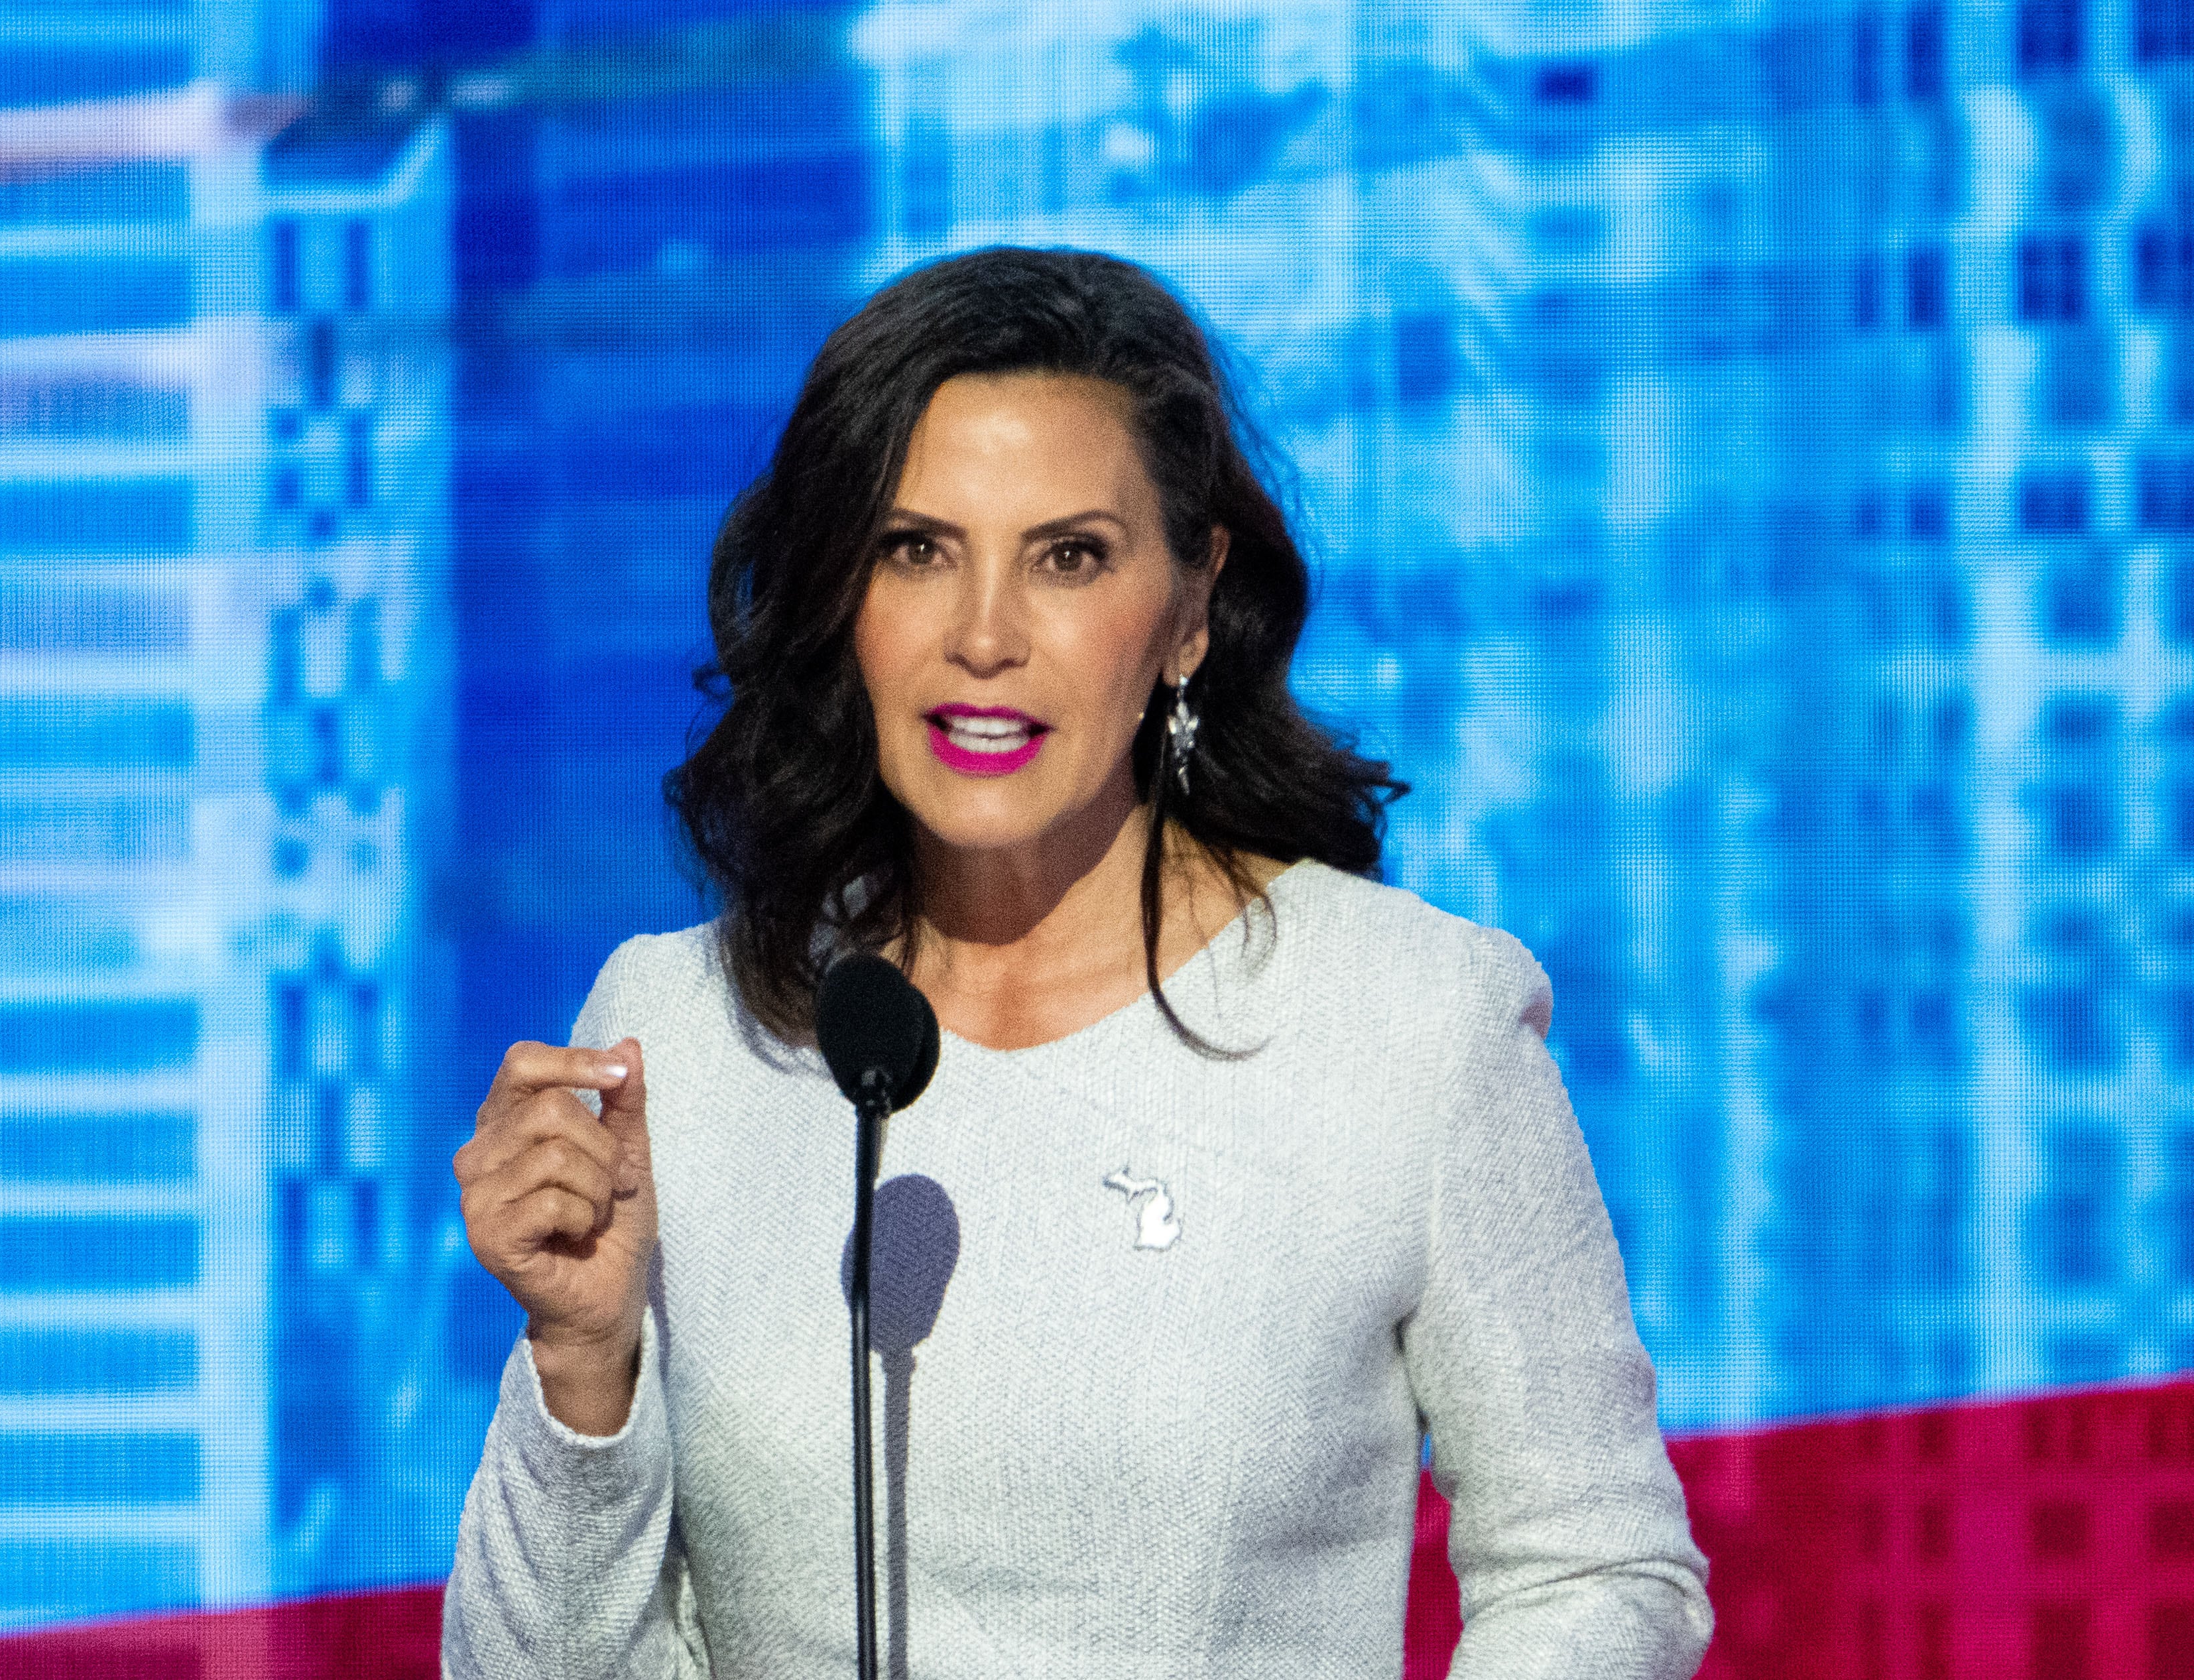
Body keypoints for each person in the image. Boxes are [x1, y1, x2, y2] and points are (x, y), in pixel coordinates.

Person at [443, 247, 1712, 1678]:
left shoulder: (1411, 1023)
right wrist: (582, 1365)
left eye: (1068, 556)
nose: (982, 635)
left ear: (1186, 609)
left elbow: (1596, 1568)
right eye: (915, 548)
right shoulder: (674, 1030)